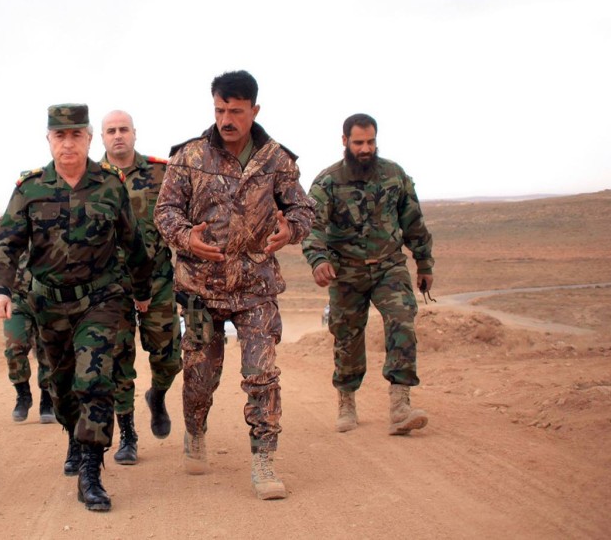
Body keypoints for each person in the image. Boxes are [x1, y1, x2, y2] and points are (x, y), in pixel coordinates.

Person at [153, 70, 315, 501]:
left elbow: (302, 209)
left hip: (256, 287)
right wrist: (186, 237)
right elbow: (165, 211)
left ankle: (264, 461)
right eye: (220, 109)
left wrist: (291, 230)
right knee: (200, 377)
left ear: (254, 110)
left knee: (262, 375)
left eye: (236, 111)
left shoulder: (276, 159)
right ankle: (195, 429)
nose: (227, 119)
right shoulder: (188, 156)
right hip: (201, 289)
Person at [0, 104, 153, 512]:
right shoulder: (30, 189)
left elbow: (132, 243)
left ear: (89, 138)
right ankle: (73, 436)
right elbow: (6, 242)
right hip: (49, 304)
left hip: (101, 298)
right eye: (60, 135)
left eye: (76, 134)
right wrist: (0, 289)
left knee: (94, 378)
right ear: (49, 139)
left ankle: (91, 471)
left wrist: (142, 291)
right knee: (60, 387)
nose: (68, 143)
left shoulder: (109, 185)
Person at [302, 113, 434, 436]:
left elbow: (413, 221)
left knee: (402, 319)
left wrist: (424, 263)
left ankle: (400, 406)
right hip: (346, 271)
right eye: (359, 142)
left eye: (371, 142)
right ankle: (346, 401)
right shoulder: (328, 182)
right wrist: (318, 260)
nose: (365, 149)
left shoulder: (394, 175)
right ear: (345, 141)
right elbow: (311, 226)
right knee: (347, 335)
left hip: (389, 265)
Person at [99, 109, 182, 465]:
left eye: (124, 129)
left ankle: (157, 395)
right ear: (102, 138)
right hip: (111, 285)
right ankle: (128, 434)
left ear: (135, 133)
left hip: (157, 280)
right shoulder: (92, 179)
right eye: (111, 131)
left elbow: (183, 219)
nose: (118, 135)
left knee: (169, 357)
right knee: (118, 359)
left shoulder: (162, 173)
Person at [4, 252, 54, 423]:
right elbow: (0, 258)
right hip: (17, 298)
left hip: (47, 298)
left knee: (47, 351)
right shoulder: (13, 234)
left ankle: (47, 400)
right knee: (14, 347)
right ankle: (23, 394)